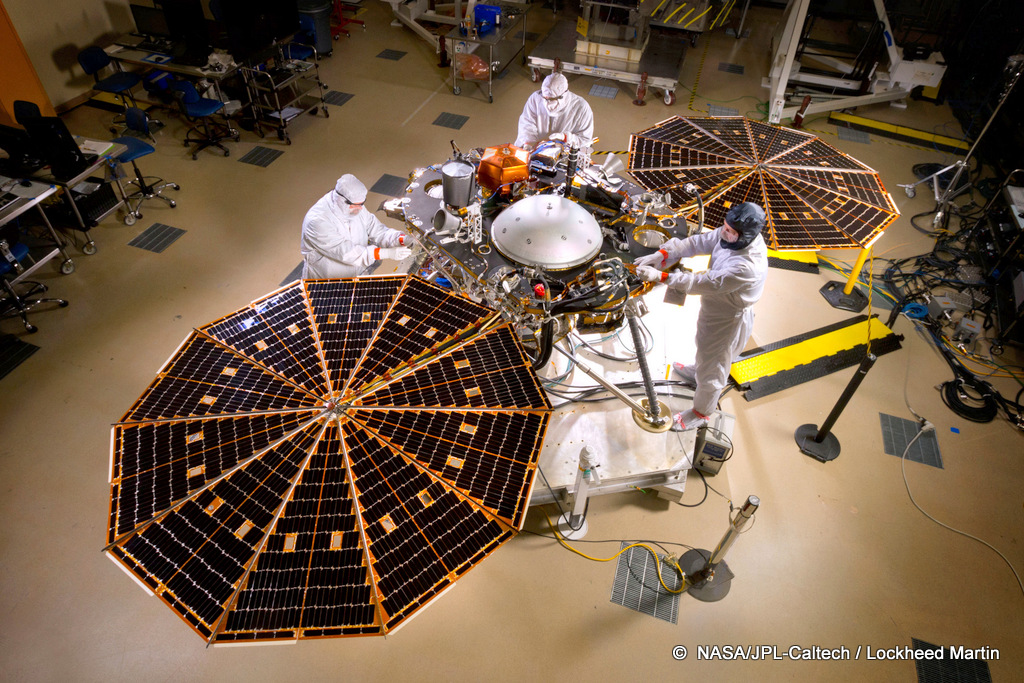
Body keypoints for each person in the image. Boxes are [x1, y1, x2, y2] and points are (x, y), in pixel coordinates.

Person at [634, 202, 769, 431]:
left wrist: (660, 276)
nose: (723, 232)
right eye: (725, 227)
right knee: (704, 345)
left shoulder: (747, 266)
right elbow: (699, 242)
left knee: (714, 366)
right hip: (716, 306)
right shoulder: (732, 235)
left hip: (728, 317)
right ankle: (698, 371)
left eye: (730, 231)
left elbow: (701, 282)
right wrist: (663, 253)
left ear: (745, 235)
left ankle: (701, 412)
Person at [300, 174, 412, 278]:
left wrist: (402, 239)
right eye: (356, 205)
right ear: (341, 200)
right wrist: (386, 253)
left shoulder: (356, 207)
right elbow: (346, 253)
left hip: (357, 276)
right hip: (328, 282)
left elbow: (378, 231)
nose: (360, 208)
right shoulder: (317, 221)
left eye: (362, 204)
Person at [514, 73, 595, 153]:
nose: (547, 103)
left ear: (563, 95)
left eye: (551, 99)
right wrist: (528, 142)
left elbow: (585, 140)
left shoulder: (581, 107)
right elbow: (527, 123)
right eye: (545, 98)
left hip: (564, 153)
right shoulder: (536, 98)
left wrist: (566, 137)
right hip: (535, 149)